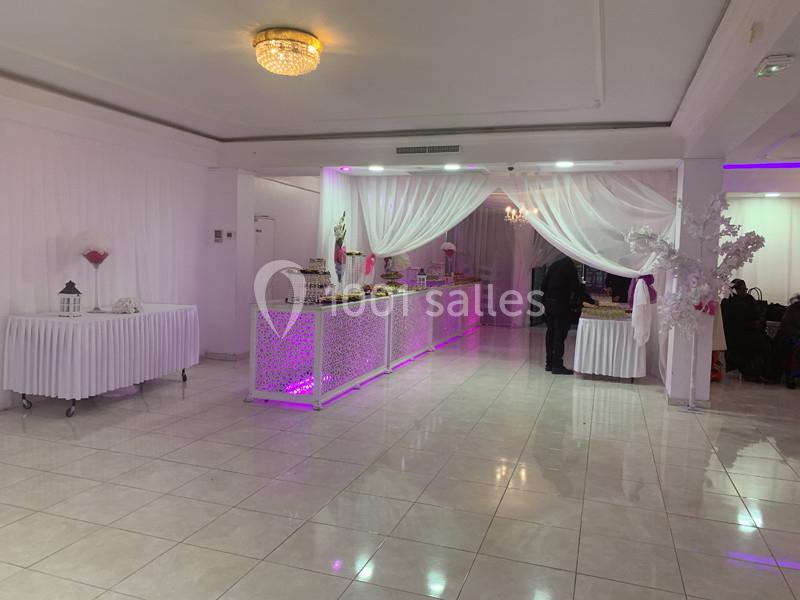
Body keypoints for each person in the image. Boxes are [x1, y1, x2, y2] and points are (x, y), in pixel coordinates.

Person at [542, 255, 598, 375]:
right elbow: (576, 288)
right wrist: (591, 301)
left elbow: (544, 285)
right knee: (559, 335)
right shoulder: (569, 267)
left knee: (550, 333)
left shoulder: (555, 264)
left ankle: (549, 363)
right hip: (561, 305)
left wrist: (545, 302)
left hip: (549, 303)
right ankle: (557, 365)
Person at [720, 279, 771, 381]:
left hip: (752, 331)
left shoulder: (749, 299)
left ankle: (766, 373)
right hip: (736, 334)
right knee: (754, 345)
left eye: (745, 289)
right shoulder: (728, 302)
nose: (744, 291)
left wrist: (759, 322)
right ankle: (751, 373)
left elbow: (758, 313)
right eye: (742, 289)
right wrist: (751, 324)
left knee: (768, 344)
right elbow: (731, 322)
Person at [774, 295, 800, 389]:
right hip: (789, 336)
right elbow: (786, 327)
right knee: (796, 348)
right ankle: (791, 377)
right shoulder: (793, 309)